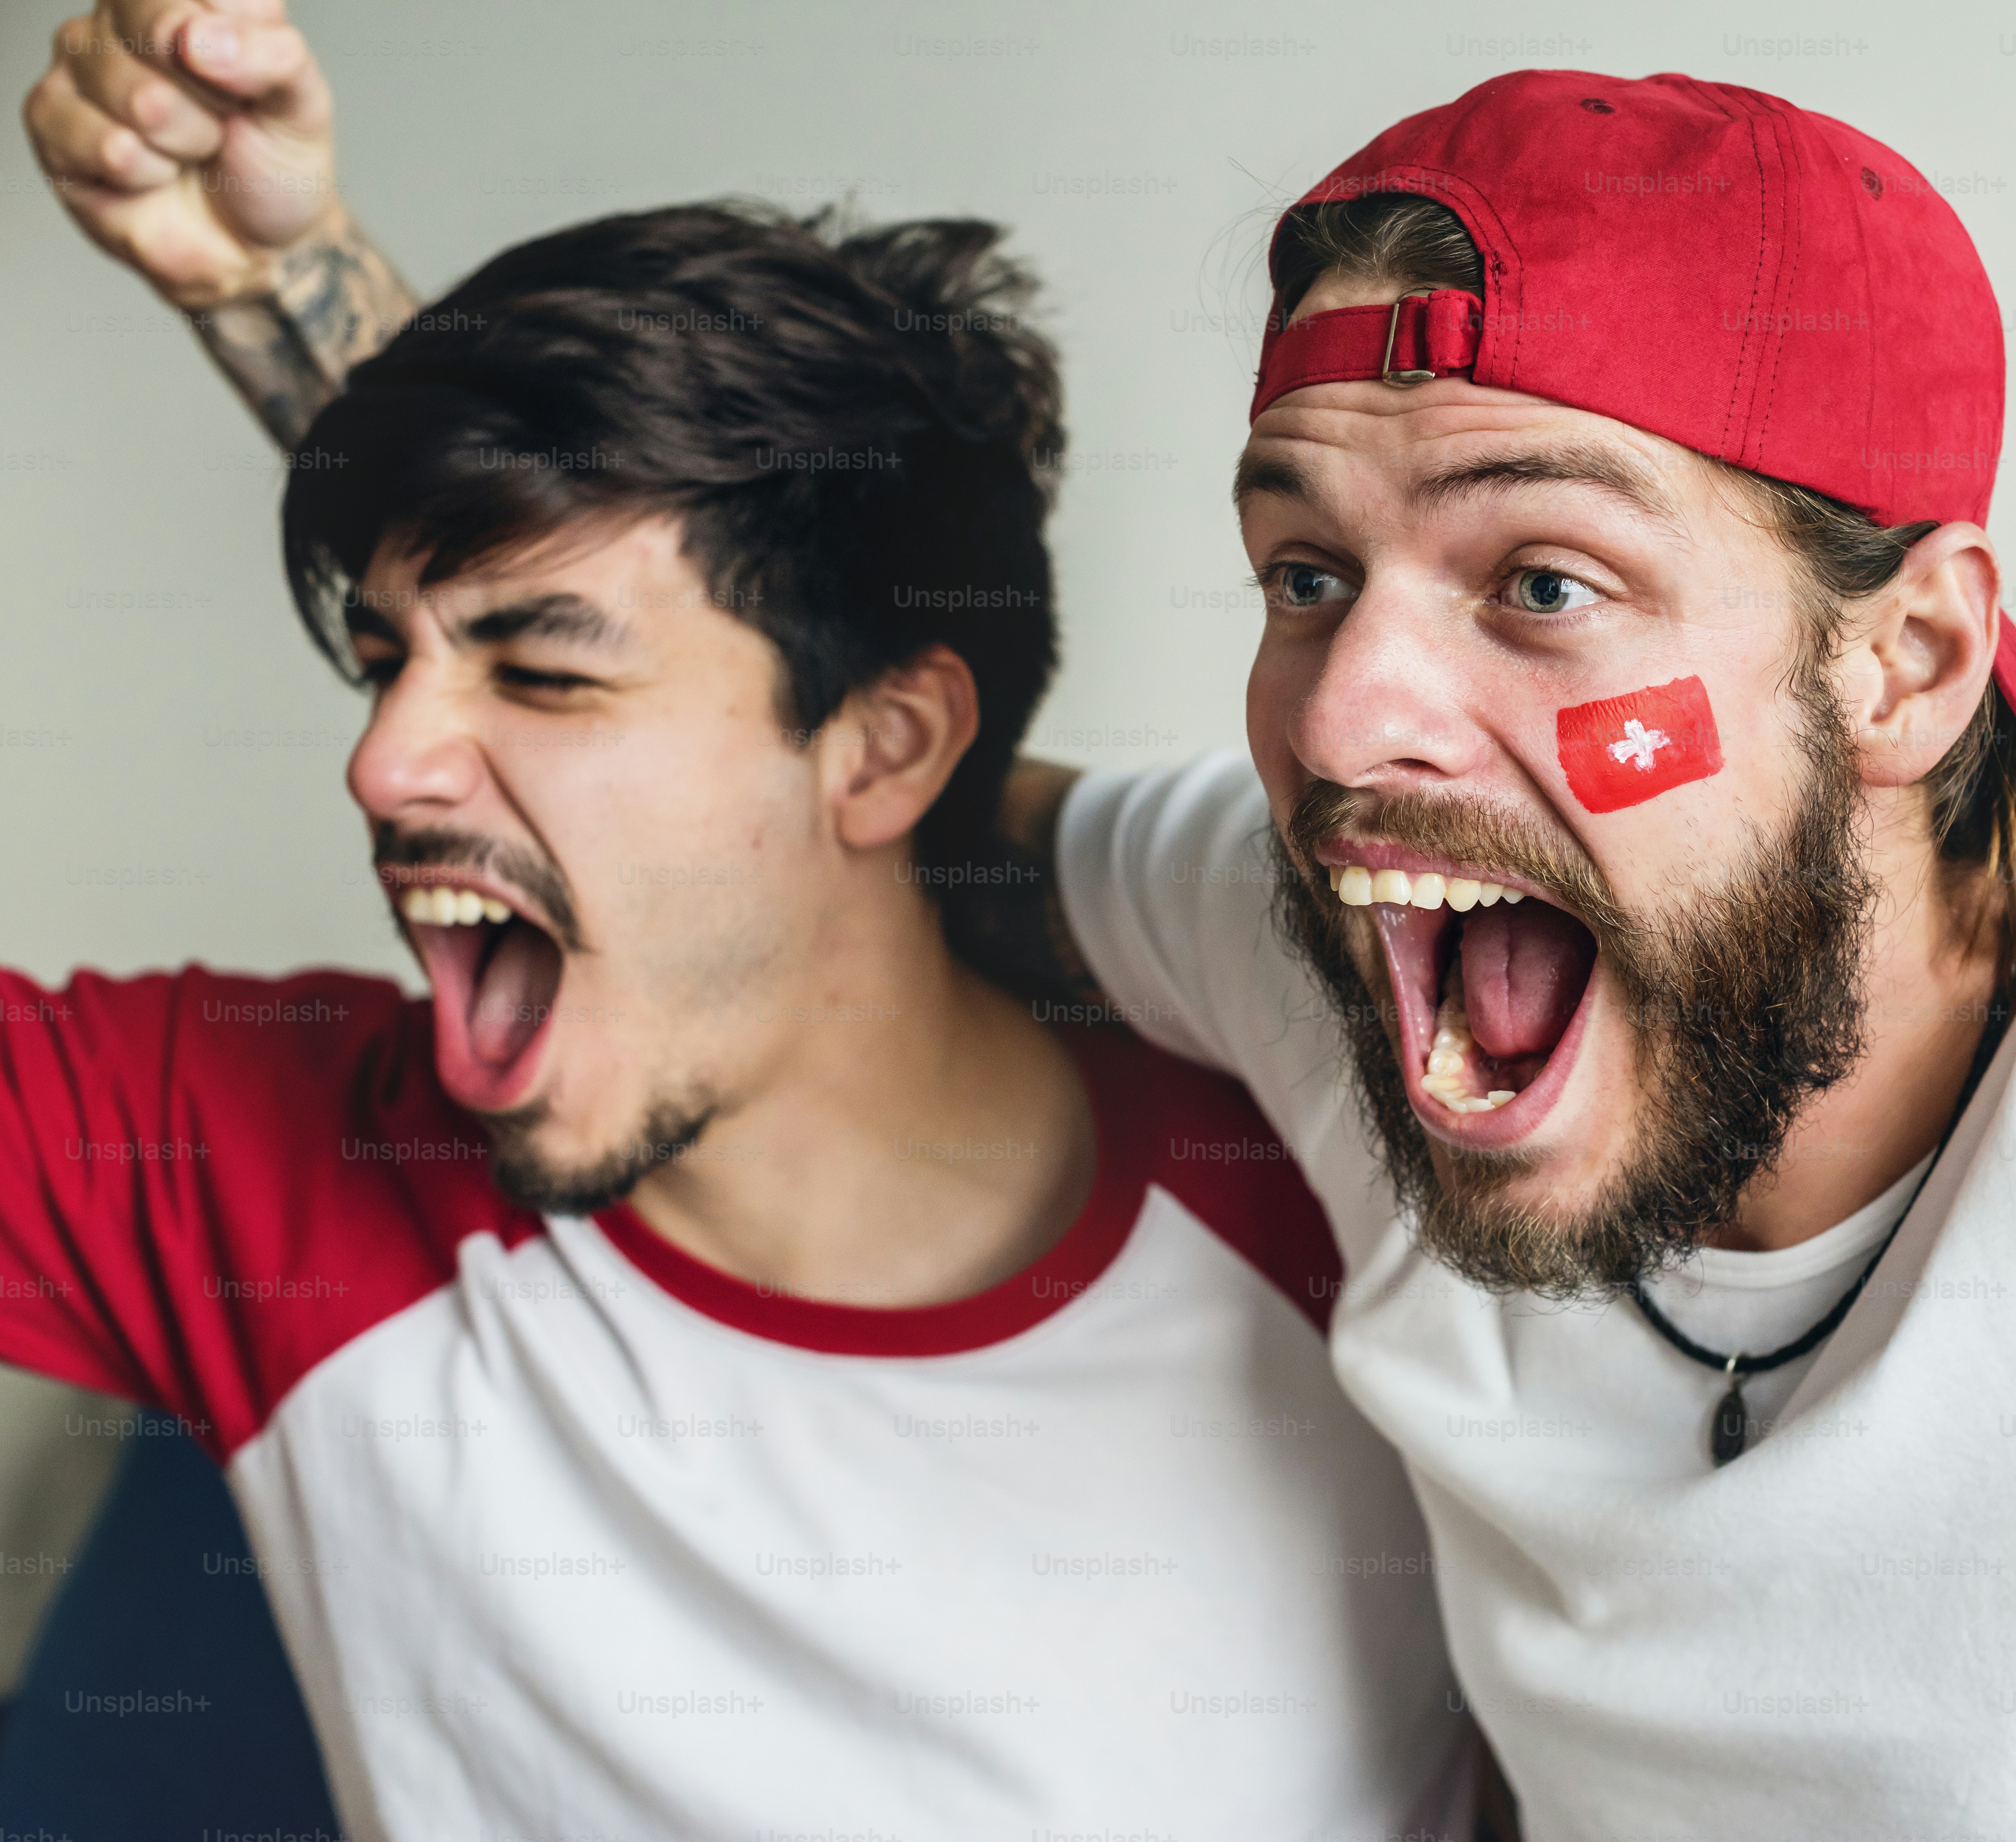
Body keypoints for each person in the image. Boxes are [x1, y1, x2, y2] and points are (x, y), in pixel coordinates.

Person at [40, 4, 2016, 1840]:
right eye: (1306, 571)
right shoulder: (1339, 966)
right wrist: (304, 300)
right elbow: (814, 735)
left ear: (1906, 659)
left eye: (1540, 580)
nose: (1343, 719)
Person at [11, 4, 1464, 1838]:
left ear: (887, 746)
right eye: (383, 663)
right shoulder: (243, 1159)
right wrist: (277, 282)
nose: (383, 763)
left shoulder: (1340, 1189)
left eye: (542, 674)